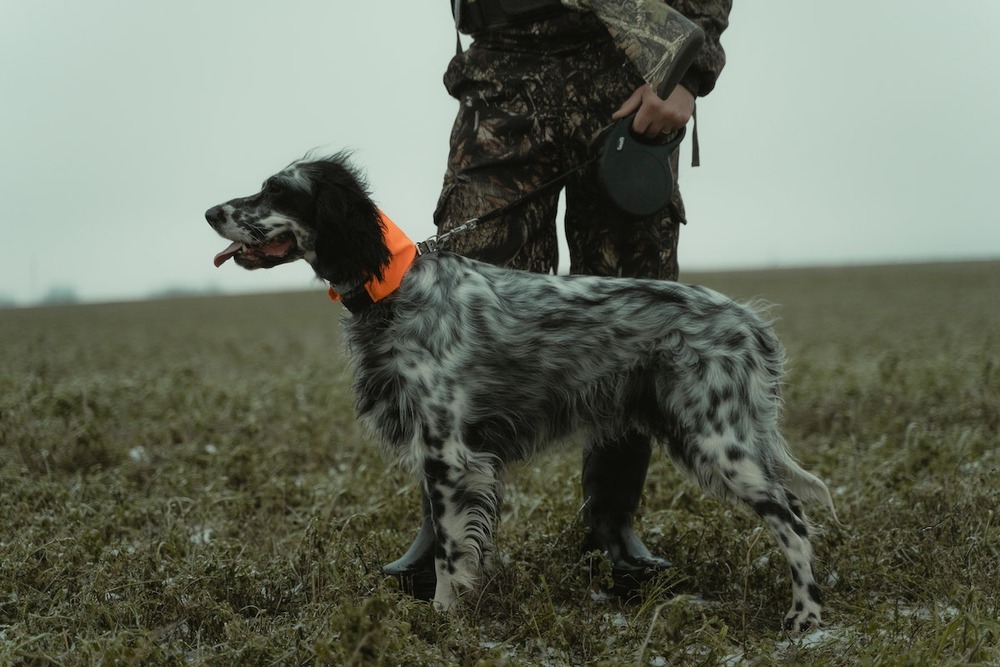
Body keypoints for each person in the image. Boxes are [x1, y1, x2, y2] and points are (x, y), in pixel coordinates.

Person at [383, 0, 732, 599]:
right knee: (463, 315)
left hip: (630, 61)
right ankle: (444, 533)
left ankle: (613, 528)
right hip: (503, 67)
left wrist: (688, 73)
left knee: (629, 315)